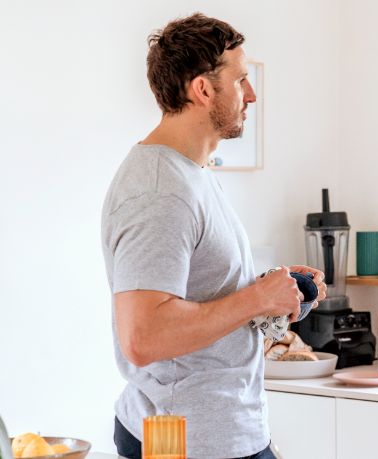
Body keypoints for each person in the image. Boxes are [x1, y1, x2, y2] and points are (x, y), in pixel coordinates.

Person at [101, 14, 326, 459]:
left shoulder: (193, 175)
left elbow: (196, 290)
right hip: (189, 443)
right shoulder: (159, 190)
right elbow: (143, 337)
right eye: (241, 80)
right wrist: (258, 299)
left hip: (222, 431)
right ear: (203, 89)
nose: (252, 94)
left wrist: (269, 290)